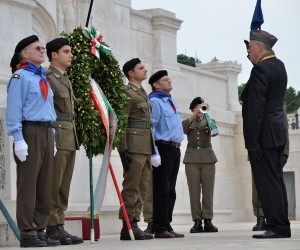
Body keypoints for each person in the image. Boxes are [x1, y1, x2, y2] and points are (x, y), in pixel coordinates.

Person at [6, 35, 59, 247]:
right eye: (38, 48)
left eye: (43, 48)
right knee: (28, 185)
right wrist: (18, 139)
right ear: (25, 53)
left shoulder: (42, 77)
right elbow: (13, 111)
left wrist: (52, 137)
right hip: (30, 133)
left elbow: (48, 109)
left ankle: (40, 229)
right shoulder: (20, 77)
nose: (42, 51)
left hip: (47, 132)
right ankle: (28, 233)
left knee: (45, 186)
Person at [241, 30, 291, 238]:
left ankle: (276, 226)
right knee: (276, 182)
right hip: (276, 134)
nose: (248, 53)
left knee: (267, 183)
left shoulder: (261, 70)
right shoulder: (279, 66)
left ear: (260, 47)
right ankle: (280, 225)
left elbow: (255, 109)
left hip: (264, 137)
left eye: (250, 47)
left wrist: (252, 142)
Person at [45, 38, 83, 245]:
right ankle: (52, 226)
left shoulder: (65, 79)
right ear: (54, 55)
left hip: (69, 136)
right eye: (66, 51)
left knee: (64, 185)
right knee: (54, 183)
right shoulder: (48, 77)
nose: (71, 55)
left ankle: (59, 224)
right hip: (57, 136)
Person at [117, 58, 155, 240]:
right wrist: (123, 149)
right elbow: (121, 122)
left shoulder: (141, 92)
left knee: (142, 188)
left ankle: (135, 222)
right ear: (131, 73)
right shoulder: (127, 93)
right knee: (131, 187)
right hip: (134, 147)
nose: (145, 70)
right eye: (141, 68)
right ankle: (128, 224)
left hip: (145, 146)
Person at [148, 70, 185, 239]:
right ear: (156, 85)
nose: (169, 81)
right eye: (165, 80)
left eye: (169, 79)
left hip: (175, 149)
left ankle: (166, 225)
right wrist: (154, 152)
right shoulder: (155, 101)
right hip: (162, 148)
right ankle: (159, 227)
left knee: (170, 191)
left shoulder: (170, 101)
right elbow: (152, 127)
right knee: (162, 190)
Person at [182, 97, 218, 233]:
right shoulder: (188, 121)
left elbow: (215, 132)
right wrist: (193, 116)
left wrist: (207, 117)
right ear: (192, 108)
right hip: (191, 159)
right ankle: (197, 221)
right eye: (197, 107)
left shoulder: (209, 121)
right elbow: (182, 129)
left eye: (202, 107)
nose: (200, 109)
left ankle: (208, 220)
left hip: (208, 158)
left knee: (208, 191)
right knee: (194, 192)